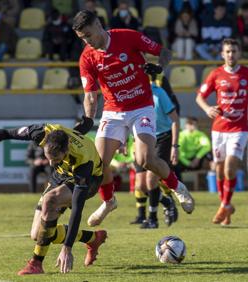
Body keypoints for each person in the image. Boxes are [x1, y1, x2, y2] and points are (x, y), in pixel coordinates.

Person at [73, 10, 195, 228]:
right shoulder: (87, 58)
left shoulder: (128, 36)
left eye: (88, 35)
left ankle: (178, 188)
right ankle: (109, 202)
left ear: (99, 25)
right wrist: (88, 120)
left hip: (141, 107)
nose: (87, 41)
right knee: (98, 164)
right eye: (82, 38)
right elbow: (90, 96)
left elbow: (164, 52)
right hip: (113, 111)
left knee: (146, 159)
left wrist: (160, 67)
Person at [0, 118, 107, 275]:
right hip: (62, 174)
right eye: (48, 157)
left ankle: (36, 263)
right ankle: (92, 238)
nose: (51, 163)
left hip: (90, 179)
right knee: (38, 234)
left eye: (56, 159)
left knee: (50, 200)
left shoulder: (83, 160)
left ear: (67, 150)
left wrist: (67, 247)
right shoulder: (41, 132)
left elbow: (77, 209)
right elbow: (3, 133)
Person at [196, 38, 248, 226]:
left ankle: (225, 203)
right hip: (219, 129)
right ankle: (226, 209)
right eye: (227, 51)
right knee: (218, 170)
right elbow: (200, 97)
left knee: (229, 167)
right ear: (222, 54)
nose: (231, 54)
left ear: (239, 53)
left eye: (234, 51)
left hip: (239, 128)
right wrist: (207, 109)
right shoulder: (215, 74)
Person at [132, 75, 180, 229]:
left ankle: (152, 219)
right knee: (141, 185)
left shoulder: (159, 93)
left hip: (162, 138)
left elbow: (175, 120)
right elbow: (129, 118)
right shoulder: (131, 93)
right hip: (142, 139)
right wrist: (125, 141)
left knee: (151, 180)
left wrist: (175, 146)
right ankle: (167, 202)